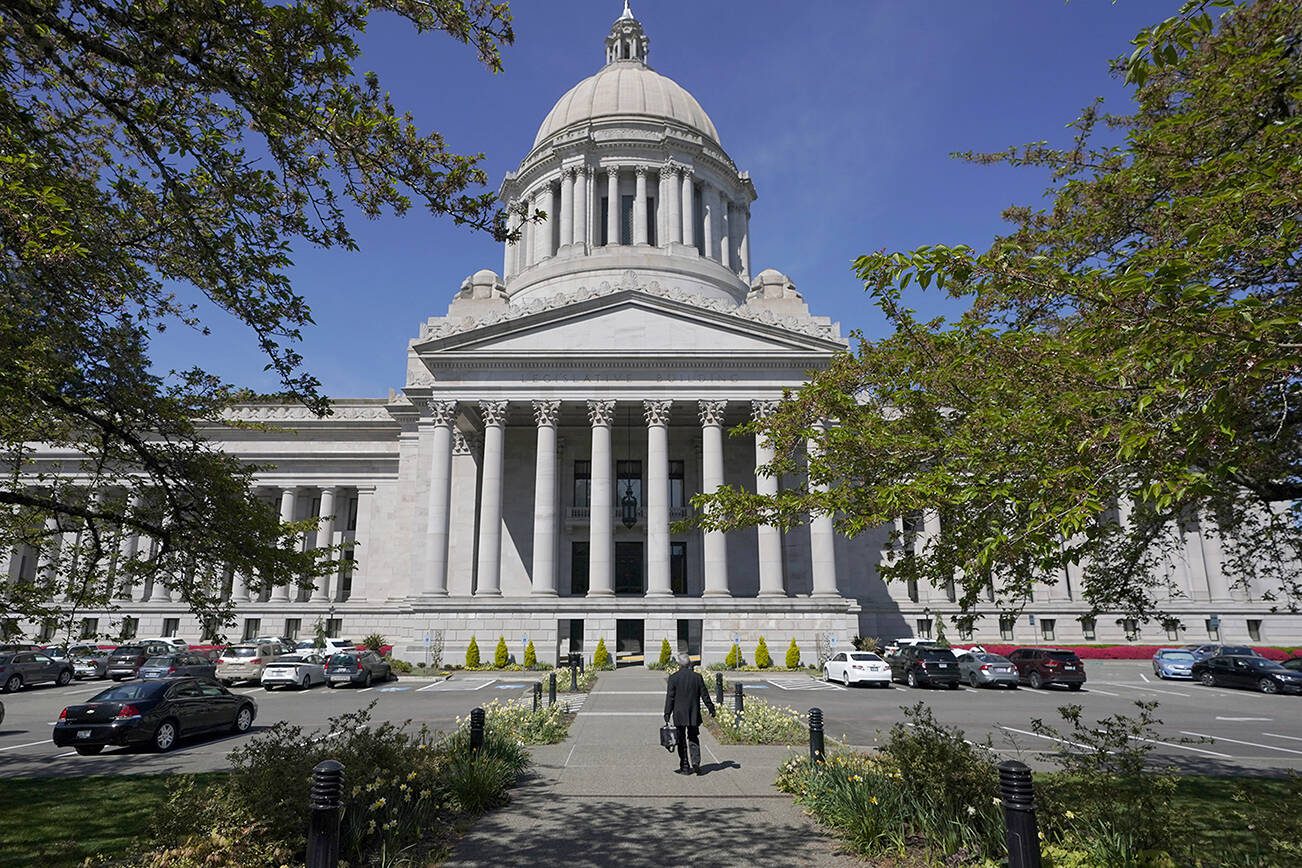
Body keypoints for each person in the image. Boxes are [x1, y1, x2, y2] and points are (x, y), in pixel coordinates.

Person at [663, 653, 716, 775]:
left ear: (679, 664)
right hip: (693, 713)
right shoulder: (697, 677)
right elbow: (705, 695)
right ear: (689, 663)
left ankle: (685, 766)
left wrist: (667, 713)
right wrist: (711, 708)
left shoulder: (673, 678)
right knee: (693, 737)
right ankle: (696, 761)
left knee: (681, 740)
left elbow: (670, 697)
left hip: (679, 714)